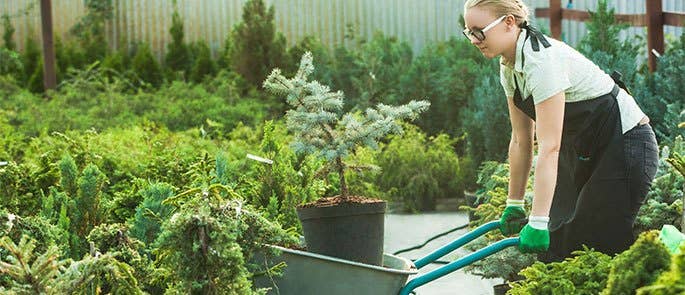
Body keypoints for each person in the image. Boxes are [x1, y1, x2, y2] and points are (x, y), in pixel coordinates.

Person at [462, 0, 659, 262]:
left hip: (625, 144)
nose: (474, 40)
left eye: (478, 31)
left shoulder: (542, 62)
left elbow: (549, 146)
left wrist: (539, 220)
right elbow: (521, 140)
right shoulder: (509, 66)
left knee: (595, 242)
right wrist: (514, 204)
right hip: (584, 147)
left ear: (509, 22)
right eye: (468, 32)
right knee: (557, 238)